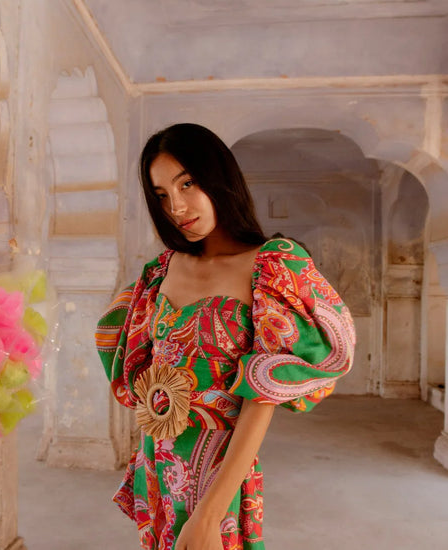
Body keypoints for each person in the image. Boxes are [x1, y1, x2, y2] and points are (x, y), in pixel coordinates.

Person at [95, 123, 355, 549]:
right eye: (161, 194)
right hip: (158, 463)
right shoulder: (161, 270)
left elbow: (261, 399)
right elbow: (132, 357)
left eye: (188, 183)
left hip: (218, 473)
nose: (176, 206)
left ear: (220, 178)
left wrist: (210, 514)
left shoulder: (272, 267)